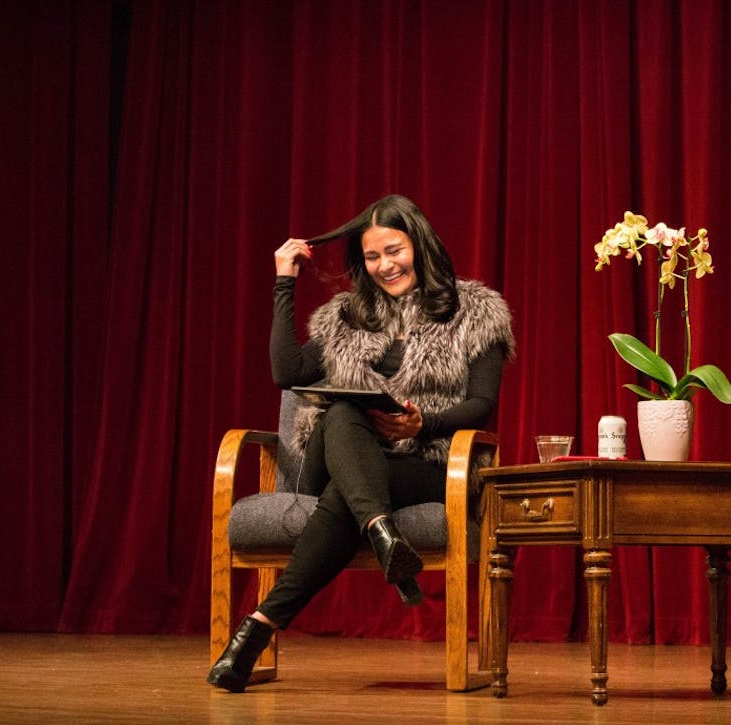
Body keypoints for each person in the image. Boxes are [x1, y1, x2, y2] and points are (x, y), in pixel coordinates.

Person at [208, 194, 515, 692]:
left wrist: (423, 425)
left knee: (344, 498)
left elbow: (481, 404)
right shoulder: (344, 318)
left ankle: (257, 628)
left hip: (428, 464)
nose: (384, 266)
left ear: (420, 243)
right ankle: (381, 529)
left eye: (394, 250)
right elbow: (286, 373)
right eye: (372, 257)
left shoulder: (475, 311)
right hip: (343, 455)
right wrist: (284, 280)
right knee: (344, 407)